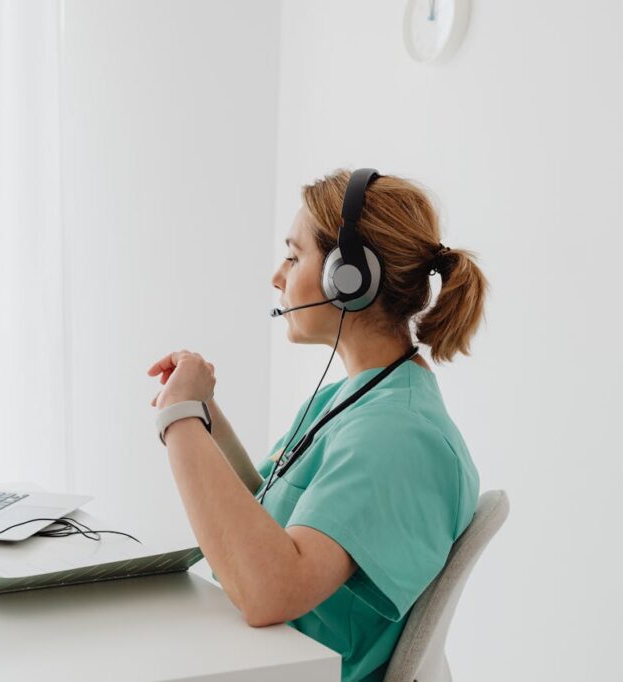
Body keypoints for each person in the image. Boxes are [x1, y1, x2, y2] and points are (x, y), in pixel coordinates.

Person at [147, 169, 486, 682]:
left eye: (293, 254)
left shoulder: (397, 436)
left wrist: (180, 421)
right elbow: (269, 517)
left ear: (349, 277)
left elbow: (269, 590)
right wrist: (205, 414)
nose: (277, 276)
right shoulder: (357, 398)